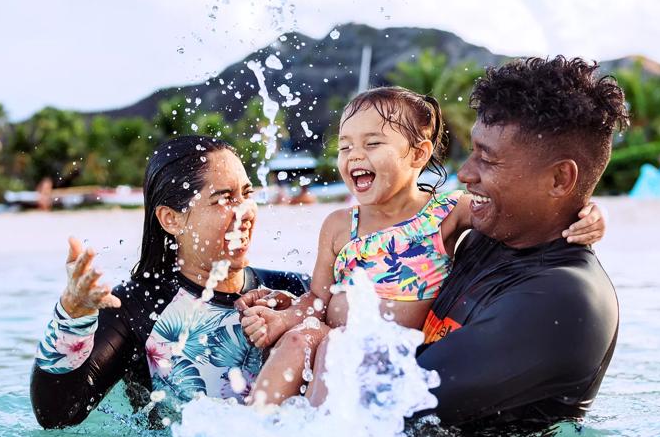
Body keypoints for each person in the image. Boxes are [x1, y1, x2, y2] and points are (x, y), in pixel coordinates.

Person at [239, 87, 606, 406]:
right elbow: (316, 299)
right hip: (334, 332)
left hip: (394, 349)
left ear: (418, 154)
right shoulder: (338, 226)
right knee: (299, 340)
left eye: (372, 143)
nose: (354, 156)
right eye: (345, 146)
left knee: (336, 352)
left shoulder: (445, 211)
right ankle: (256, 427)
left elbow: (529, 206)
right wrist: (284, 319)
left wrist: (589, 213)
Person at [29, 136, 308, 428]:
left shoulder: (294, 292)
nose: (245, 211)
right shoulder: (137, 308)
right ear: (171, 219)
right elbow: (56, 415)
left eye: (246, 194)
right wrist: (72, 317)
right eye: (224, 199)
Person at [409, 56, 627, 429]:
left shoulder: (565, 298)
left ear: (559, 179)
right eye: (472, 150)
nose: (464, 172)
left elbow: (390, 397)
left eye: (487, 159)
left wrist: (310, 338)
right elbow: (379, 277)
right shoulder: (490, 237)